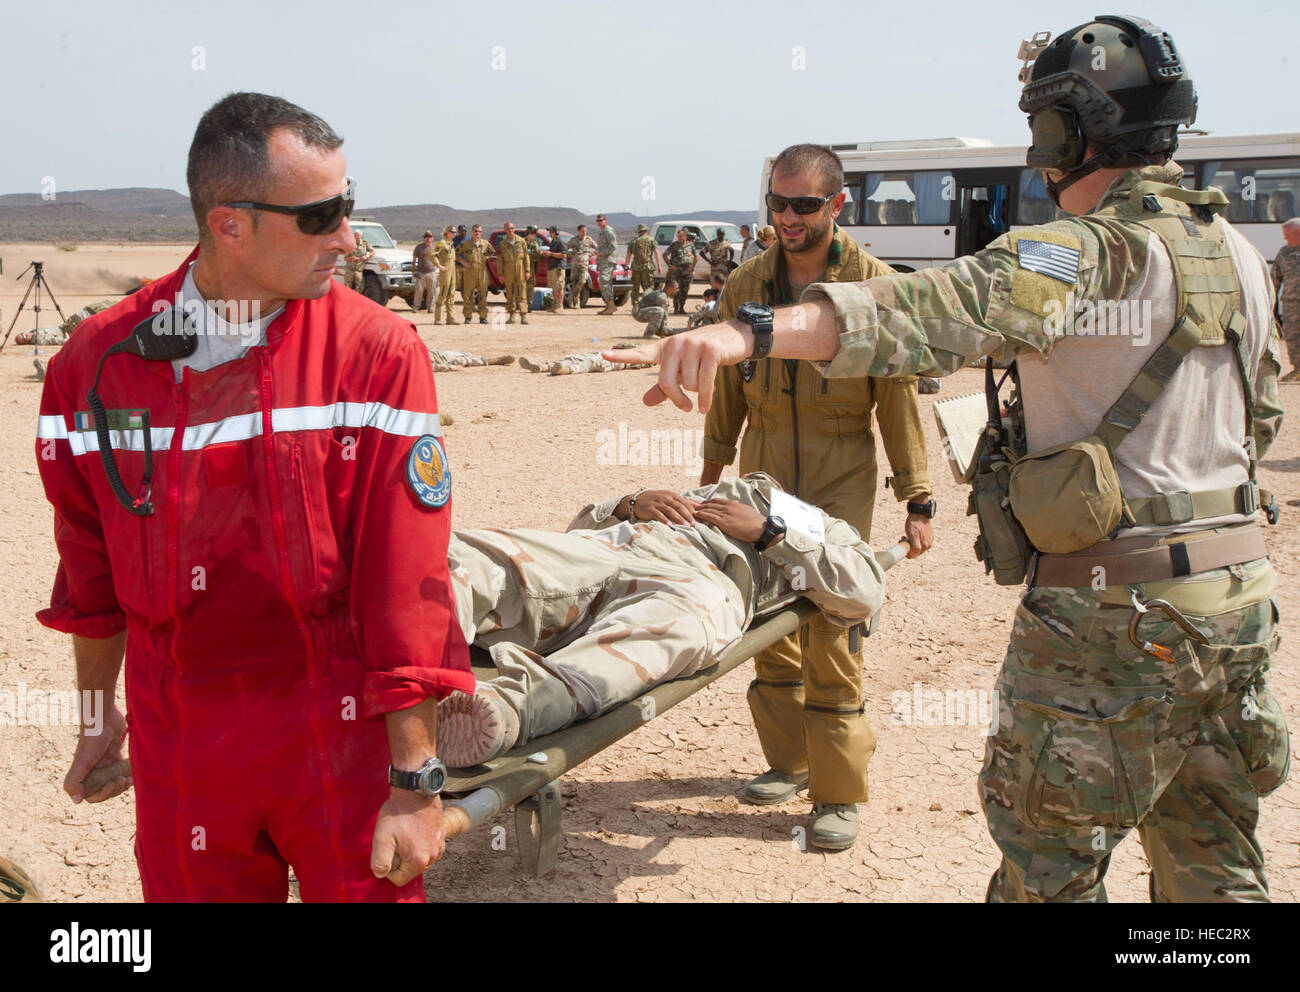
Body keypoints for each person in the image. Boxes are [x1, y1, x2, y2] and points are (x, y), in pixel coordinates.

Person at [612, 15, 1289, 902]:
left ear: (1068, 132)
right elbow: (1263, 419)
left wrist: (750, 331)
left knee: (1048, 874)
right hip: (1237, 606)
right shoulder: (1240, 254)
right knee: (1215, 870)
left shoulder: (1082, 249)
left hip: (1112, 618)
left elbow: (928, 310)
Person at [35, 92, 471, 902]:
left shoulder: (374, 352)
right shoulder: (97, 367)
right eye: (322, 216)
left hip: (334, 735)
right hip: (184, 747)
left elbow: (406, 581)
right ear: (229, 225)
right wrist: (100, 714)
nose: (348, 237)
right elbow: (88, 574)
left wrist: (415, 781)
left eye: (351, 206)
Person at [697, 144, 934, 852]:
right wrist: (709, 478)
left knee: (831, 619)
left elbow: (896, 400)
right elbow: (728, 392)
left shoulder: (874, 285)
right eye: (777, 202)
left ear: (837, 204)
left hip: (841, 471)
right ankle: (789, 760)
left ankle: (836, 793)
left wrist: (917, 497)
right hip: (763, 464)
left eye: (804, 204)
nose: (788, 217)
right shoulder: (747, 280)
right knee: (766, 611)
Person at [436, 473, 888, 766]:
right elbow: (577, 528)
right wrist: (631, 503)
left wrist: (768, 531)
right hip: (619, 546)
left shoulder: (824, 527)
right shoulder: (719, 488)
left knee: (671, 632)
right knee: (471, 554)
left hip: (702, 579)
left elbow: (862, 592)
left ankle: (511, 708)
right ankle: (413, 661)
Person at [1270, 217, 1300, 382]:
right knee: (1293, 337)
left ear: (1298, 233)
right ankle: (1298, 368)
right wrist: (1270, 300)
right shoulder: (1284, 252)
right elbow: (1275, 277)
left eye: (1288, 234)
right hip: (1291, 304)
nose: (1285, 238)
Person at [518, 344, 653, 375]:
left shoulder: (644, 358)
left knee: (587, 364)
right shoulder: (641, 352)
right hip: (605, 354)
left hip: (613, 362)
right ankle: (542, 367)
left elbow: (621, 346)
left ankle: (564, 369)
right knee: (575, 357)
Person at [457, 223, 495, 324]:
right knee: (468, 296)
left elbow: (491, 252)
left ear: (481, 233)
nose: (477, 233)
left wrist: (486, 258)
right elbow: (456, 253)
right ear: (472, 232)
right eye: (475, 231)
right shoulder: (466, 244)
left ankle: (483, 317)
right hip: (469, 273)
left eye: (479, 231)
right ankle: (468, 317)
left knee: (483, 296)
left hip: (482, 273)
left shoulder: (485, 243)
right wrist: (463, 262)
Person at [497, 221, 530, 325]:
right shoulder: (503, 243)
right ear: (505, 230)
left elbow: (526, 256)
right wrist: (500, 274)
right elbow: (500, 260)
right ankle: (511, 315)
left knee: (522, 292)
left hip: (520, 268)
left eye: (512, 228)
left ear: (514, 229)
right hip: (508, 270)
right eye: (508, 229)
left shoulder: (521, 241)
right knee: (510, 293)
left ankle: (523, 315)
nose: (510, 230)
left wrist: (527, 270)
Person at [624, 223, 662, 309]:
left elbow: (628, 255)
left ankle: (635, 306)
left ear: (638, 232)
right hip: (647, 267)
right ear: (646, 231)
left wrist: (626, 268)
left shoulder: (633, 241)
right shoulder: (651, 240)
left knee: (635, 287)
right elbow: (656, 253)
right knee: (648, 287)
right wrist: (659, 266)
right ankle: (646, 304)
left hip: (636, 267)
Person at [663, 228, 697, 314]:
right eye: (678, 236)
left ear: (685, 236)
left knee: (685, 290)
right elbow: (665, 255)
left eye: (681, 236)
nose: (679, 238)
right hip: (676, 270)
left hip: (687, 270)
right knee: (676, 289)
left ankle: (682, 307)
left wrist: (692, 267)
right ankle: (676, 308)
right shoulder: (674, 245)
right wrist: (670, 266)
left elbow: (696, 256)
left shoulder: (691, 245)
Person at [594, 213, 620, 314]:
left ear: (605, 221)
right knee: (605, 282)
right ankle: (609, 305)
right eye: (598, 221)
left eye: (601, 220)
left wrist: (601, 253)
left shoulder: (608, 231)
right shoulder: (602, 232)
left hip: (608, 260)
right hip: (603, 260)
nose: (599, 222)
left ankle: (611, 305)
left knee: (604, 281)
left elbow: (613, 246)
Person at [432, 225, 459, 324]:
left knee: (451, 295)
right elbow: (432, 255)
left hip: (452, 272)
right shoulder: (441, 243)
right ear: (447, 232)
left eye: (455, 232)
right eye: (452, 232)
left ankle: (450, 318)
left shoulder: (451, 244)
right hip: (445, 273)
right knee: (443, 293)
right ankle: (438, 318)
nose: (454, 234)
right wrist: (439, 266)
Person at [567, 224, 597, 308]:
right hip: (575, 264)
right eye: (582, 231)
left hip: (584, 264)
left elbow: (598, 248)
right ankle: (576, 302)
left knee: (582, 281)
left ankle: (571, 297)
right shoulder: (573, 240)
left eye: (585, 231)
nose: (584, 232)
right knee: (575, 282)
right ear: (578, 231)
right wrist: (570, 254)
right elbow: (565, 248)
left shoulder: (588, 240)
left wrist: (590, 254)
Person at [427, 348, 516, 372]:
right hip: (443, 358)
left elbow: (433, 367)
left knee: (466, 356)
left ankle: (490, 360)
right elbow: (433, 367)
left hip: (441, 355)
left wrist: (452, 368)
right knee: (465, 360)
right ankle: (491, 361)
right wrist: (453, 368)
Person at [412, 230, 437, 313]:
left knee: (432, 291)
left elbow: (439, 260)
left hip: (431, 272)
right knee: (419, 291)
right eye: (426, 237)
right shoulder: (419, 247)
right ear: (424, 238)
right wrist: (413, 271)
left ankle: (430, 307)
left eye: (430, 237)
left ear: (432, 238)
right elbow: (414, 260)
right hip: (420, 272)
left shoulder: (435, 248)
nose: (428, 238)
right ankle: (416, 307)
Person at [544, 225, 567, 310]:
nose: (549, 234)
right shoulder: (553, 242)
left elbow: (563, 254)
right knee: (554, 287)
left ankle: (560, 305)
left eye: (551, 232)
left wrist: (550, 254)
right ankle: (555, 304)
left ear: (555, 232)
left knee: (559, 287)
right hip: (552, 267)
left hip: (558, 268)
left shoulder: (561, 242)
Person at [524, 226, 542, 305]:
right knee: (522, 286)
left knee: (531, 286)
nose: (534, 235)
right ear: (528, 233)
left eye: (535, 234)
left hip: (532, 267)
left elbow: (538, 255)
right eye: (532, 233)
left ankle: (529, 304)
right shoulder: (523, 242)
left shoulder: (534, 243)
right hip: (523, 268)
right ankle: (521, 304)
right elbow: (524, 256)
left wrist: (540, 254)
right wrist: (535, 255)